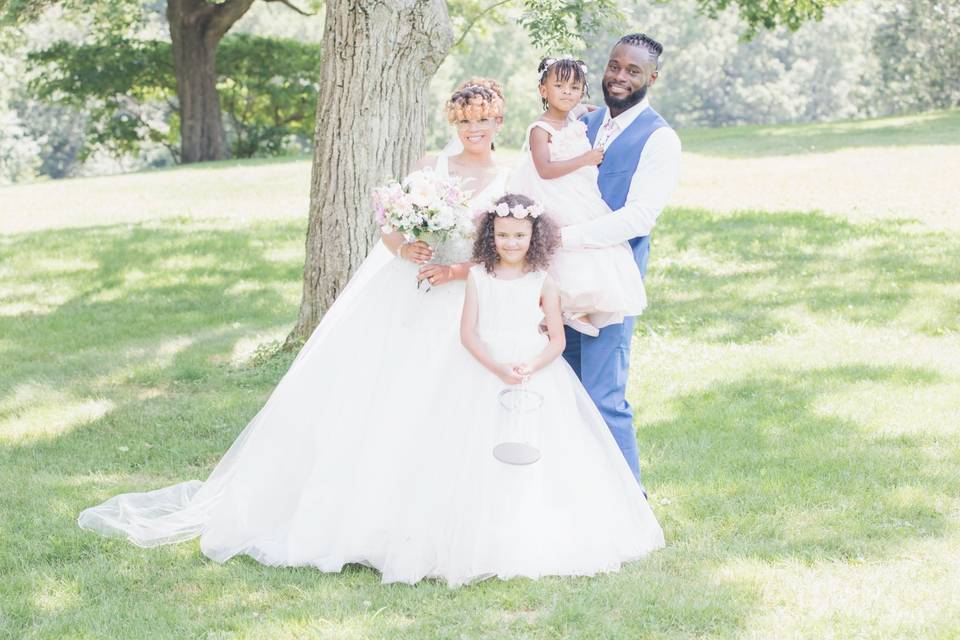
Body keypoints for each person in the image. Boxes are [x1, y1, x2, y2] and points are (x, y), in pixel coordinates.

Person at [77, 80, 512, 585]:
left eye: (483, 120)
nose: (474, 129)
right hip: (409, 294)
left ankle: (438, 524)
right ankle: (357, 519)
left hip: (462, 297)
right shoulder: (427, 169)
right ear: (453, 123)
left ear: (499, 122)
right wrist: (406, 249)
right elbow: (392, 228)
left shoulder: (507, 178)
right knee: (384, 399)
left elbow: (503, 248)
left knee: (446, 402)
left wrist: (456, 272)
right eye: (464, 120)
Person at [441, 193, 663, 583]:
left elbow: (558, 341)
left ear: (534, 236)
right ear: (490, 236)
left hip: (535, 370)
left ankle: (536, 521)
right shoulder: (478, 278)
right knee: (479, 445)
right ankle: (486, 527)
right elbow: (468, 333)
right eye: (503, 235)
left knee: (543, 447)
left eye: (519, 236)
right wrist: (495, 367)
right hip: (485, 368)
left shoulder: (544, 281)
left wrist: (532, 365)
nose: (511, 243)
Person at [559, 34, 682, 491]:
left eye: (633, 71)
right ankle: (572, 496)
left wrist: (566, 238)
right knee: (562, 389)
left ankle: (631, 505)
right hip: (559, 281)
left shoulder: (660, 139)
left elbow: (639, 216)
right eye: (614, 66)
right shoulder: (581, 124)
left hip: (610, 284)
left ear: (653, 77)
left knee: (603, 394)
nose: (620, 77)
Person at [508, 57, 647, 337]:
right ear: (543, 90)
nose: (567, 92)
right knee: (562, 245)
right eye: (559, 85)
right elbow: (545, 169)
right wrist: (584, 159)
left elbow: (603, 112)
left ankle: (580, 305)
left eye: (574, 86)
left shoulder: (578, 114)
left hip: (579, 188)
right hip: (553, 189)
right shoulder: (540, 129)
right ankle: (559, 307)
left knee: (593, 241)